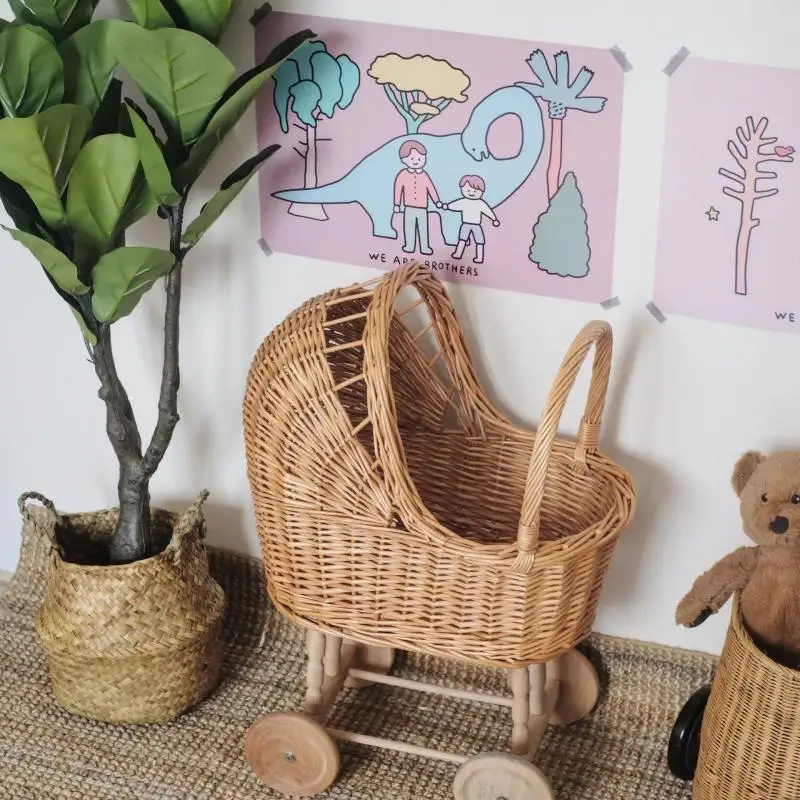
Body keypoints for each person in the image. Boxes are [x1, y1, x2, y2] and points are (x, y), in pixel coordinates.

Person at [393, 141, 443, 255]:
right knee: (409, 227)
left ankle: (424, 247)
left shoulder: (424, 175)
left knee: (423, 228)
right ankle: (409, 246)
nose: (416, 161)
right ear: (403, 160)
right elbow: (398, 189)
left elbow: (431, 188)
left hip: (422, 208)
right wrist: (397, 204)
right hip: (408, 207)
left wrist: (437, 202)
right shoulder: (402, 175)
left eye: (420, 158)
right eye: (412, 159)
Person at [443, 175, 500, 264]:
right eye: (468, 190)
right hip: (465, 224)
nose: (471, 193)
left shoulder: (480, 203)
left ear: (481, 191)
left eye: (475, 190)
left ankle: (479, 257)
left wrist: (494, 219)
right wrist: (448, 206)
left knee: (480, 241)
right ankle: (458, 253)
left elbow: (488, 211)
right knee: (462, 239)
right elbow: (455, 205)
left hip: (476, 225)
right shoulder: (463, 201)